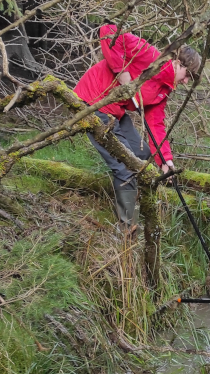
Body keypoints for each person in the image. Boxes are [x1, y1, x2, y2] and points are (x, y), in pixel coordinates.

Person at [74, 24, 201, 226]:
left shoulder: (164, 89)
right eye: (187, 75)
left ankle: (136, 201)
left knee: (141, 155)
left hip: (115, 110)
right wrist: (122, 72)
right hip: (92, 101)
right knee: (124, 166)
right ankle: (127, 228)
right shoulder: (149, 55)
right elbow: (108, 30)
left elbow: (155, 124)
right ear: (177, 63)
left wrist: (165, 160)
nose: (186, 82)